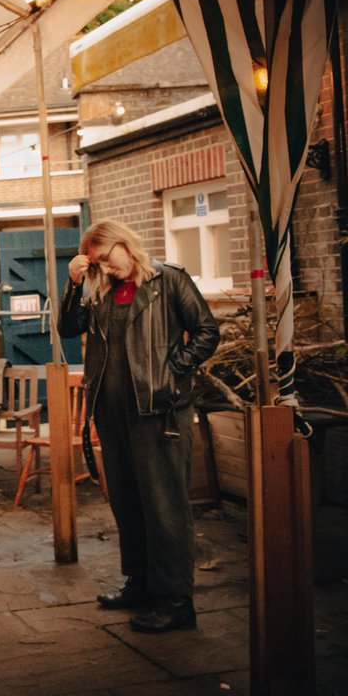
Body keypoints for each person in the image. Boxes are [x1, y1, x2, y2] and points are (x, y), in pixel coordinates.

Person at [59, 218, 219, 633]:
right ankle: (142, 583)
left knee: (165, 509)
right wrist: (75, 284)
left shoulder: (168, 280)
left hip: (158, 414)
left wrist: (173, 372)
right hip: (113, 415)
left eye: (107, 259)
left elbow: (206, 330)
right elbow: (68, 328)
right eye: (96, 264)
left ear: (124, 245)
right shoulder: (98, 291)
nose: (106, 269)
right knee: (128, 505)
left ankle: (175, 600)